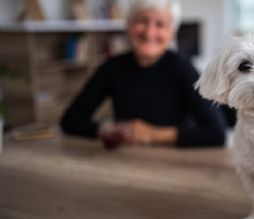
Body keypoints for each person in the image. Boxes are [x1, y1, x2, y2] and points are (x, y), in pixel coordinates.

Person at [60, 0, 226, 148]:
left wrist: (152, 134)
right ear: (128, 25)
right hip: (126, 160)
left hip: (175, 162)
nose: (149, 32)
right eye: (142, 21)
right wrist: (106, 128)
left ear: (171, 33)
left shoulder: (183, 68)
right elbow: (70, 120)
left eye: (160, 24)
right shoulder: (112, 66)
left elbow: (217, 133)